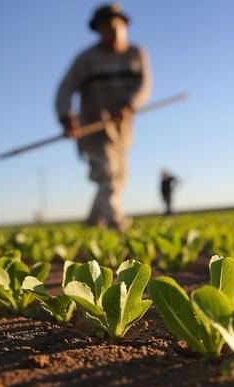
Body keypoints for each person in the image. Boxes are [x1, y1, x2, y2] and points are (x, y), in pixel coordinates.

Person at [55, 4, 152, 230]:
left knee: (118, 176)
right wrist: (66, 116)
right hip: (93, 125)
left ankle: (92, 221)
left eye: (116, 26)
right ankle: (114, 221)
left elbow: (144, 85)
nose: (112, 31)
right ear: (98, 30)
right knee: (107, 172)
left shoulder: (136, 54)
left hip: (122, 128)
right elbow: (65, 89)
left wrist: (131, 104)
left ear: (125, 26)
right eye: (106, 27)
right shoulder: (86, 59)